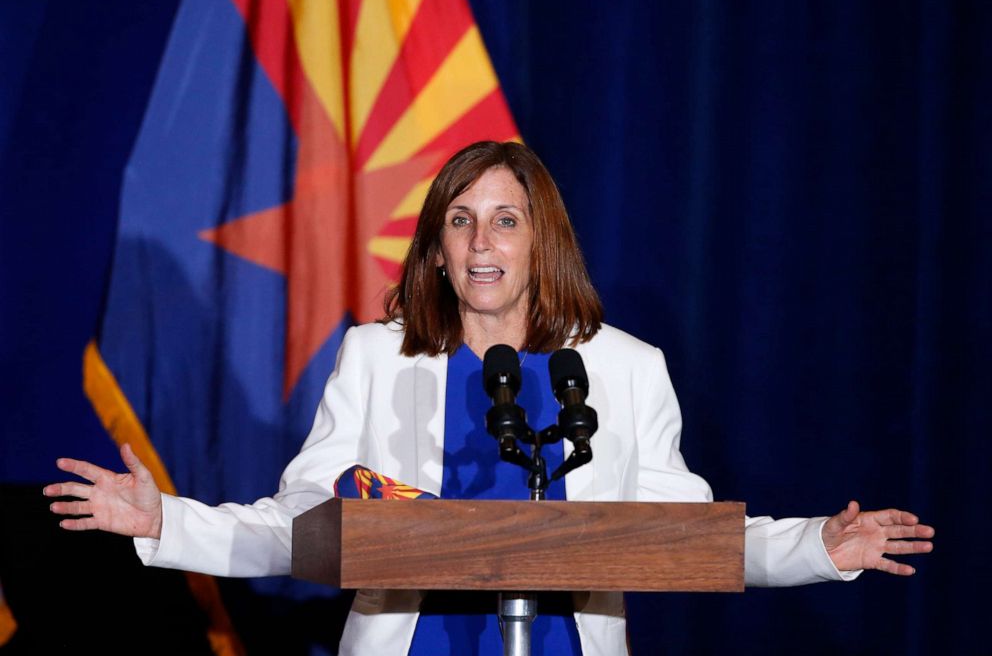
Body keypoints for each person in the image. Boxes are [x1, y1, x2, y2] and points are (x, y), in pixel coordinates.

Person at [45, 141, 934, 655]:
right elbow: (308, 525)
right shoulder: (374, 357)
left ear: (541, 242)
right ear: (434, 248)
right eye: (459, 220)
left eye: (505, 220)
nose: (481, 242)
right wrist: (169, 522)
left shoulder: (623, 368)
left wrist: (822, 545)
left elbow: (683, 537)